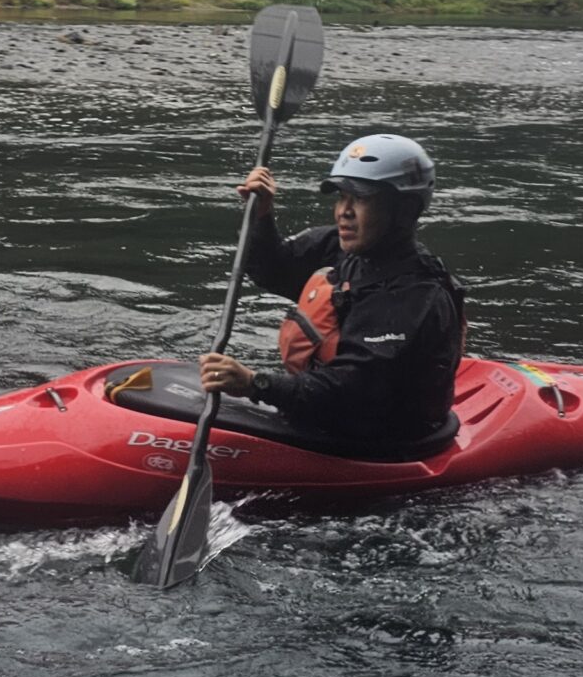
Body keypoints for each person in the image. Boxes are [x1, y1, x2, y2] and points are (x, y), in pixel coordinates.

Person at [198, 133, 465, 455]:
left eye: (361, 199)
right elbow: (272, 270)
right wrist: (261, 215)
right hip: (334, 415)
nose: (343, 211)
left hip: (383, 442)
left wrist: (256, 384)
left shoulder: (414, 295)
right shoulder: (342, 249)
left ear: (405, 210)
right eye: (342, 197)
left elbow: (351, 389)